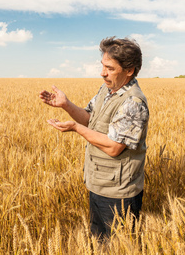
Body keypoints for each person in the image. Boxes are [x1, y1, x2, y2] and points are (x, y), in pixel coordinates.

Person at [39, 36, 149, 239]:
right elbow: (90, 120)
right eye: (102, 66)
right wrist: (66, 105)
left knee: (118, 247)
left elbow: (114, 147)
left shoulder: (133, 102)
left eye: (110, 68)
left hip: (119, 192)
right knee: (99, 242)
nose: (102, 73)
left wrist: (75, 128)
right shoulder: (107, 90)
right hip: (99, 183)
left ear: (129, 70)